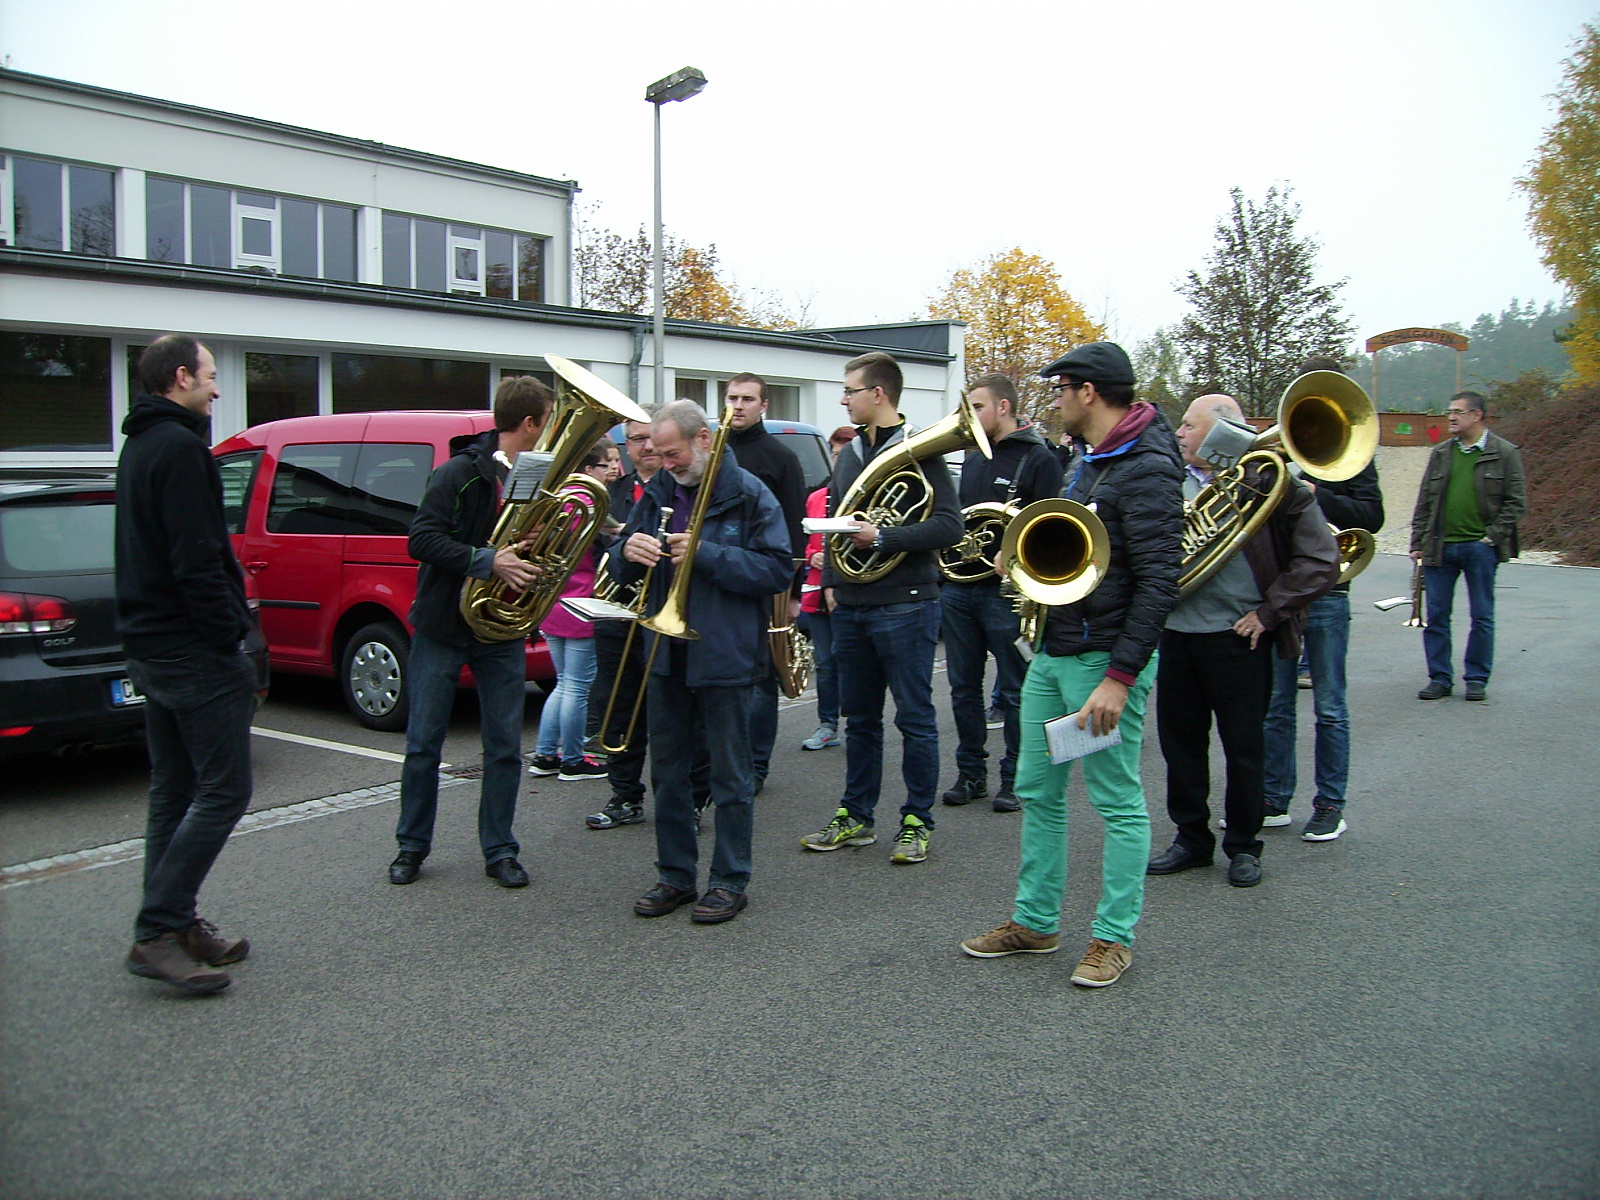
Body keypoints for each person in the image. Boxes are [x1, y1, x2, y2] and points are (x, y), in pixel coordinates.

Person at [959, 342, 1183, 988]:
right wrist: (1018, 561)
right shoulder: (1091, 460)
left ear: (1089, 392)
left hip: (1102, 663)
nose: (1055, 401)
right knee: (1038, 790)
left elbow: (1159, 583)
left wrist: (1120, 678)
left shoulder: (1147, 469)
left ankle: (1113, 938)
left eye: (1061, 389)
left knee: (1117, 802)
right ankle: (1036, 923)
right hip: (1056, 656)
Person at [606, 401, 793, 924]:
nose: (664, 463)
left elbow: (778, 570)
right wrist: (626, 552)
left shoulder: (750, 493)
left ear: (705, 440)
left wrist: (706, 553)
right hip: (666, 652)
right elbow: (620, 561)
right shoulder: (660, 490)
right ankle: (675, 876)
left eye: (673, 453)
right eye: (658, 453)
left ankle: (730, 881)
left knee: (731, 777)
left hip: (725, 652)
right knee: (668, 773)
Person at [1147, 395, 1339, 888]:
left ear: (1222, 433)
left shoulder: (1272, 482)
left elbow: (1322, 559)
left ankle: (1243, 846)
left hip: (1238, 638)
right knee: (1181, 748)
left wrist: (1269, 612)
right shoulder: (1168, 479)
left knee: (1244, 748)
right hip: (1177, 634)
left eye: (1190, 426)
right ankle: (1191, 839)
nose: (1179, 433)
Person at [115, 334, 258, 994]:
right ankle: (156, 931)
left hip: (152, 645)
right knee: (225, 791)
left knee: (173, 792)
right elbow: (197, 559)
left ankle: (176, 924)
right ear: (180, 377)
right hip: (192, 651)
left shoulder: (141, 443)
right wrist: (230, 637)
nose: (217, 388)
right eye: (209, 376)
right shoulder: (178, 448)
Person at [388, 375, 550, 889]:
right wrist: (488, 560)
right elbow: (421, 539)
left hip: (499, 628)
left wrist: (534, 548)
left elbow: (526, 548)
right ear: (529, 423)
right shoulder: (457, 472)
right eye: (548, 422)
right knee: (423, 744)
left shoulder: (537, 474)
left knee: (504, 746)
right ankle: (412, 846)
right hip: (442, 625)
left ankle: (500, 850)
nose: (551, 432)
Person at [802, 351, 962, 865]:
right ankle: (856, 815)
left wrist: (885, 537)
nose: (843, 399)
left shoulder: (922, 451)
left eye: (850, 390)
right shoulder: (850, 453)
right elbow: (837, 520)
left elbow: (950, 526)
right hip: (852, 603)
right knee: (861, 720)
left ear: (878, 394)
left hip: (907, 604)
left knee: (914, 719)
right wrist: (831, 583)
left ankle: (917, 821)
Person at [1262, 360, 1385, 842]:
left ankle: (1330, 804)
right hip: (1282, 590)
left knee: (1330, 706)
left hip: (1330, 591)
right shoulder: (1277, 456)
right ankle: (1274, 798)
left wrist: (1316, 493)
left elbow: (1372, 514)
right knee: (1276, 704)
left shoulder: (1352, 456)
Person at [939, 373, 1064, 814]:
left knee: (1015, 689)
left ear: (1004, 407)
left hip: (1006, 593)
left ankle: (1015, 777)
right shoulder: (974, 459)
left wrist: (1013, 554)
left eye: (978, 407)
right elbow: (961, 520)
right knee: (962, 688)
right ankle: (970, 773)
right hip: (959, 588)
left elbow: (1054, 527)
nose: (970, 416)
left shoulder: (1039, 459)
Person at [585, 419, 711, 830]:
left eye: (653, 440)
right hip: (619, 613)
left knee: (684, 714)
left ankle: (692, 799)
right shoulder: (611, 492)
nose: (647, 448)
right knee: (619, 708)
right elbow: (602, 553)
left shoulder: (689, 488)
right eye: (637, 440)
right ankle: (624, 794)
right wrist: (624, 546)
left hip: (672, 617)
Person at [1409, 391, 1526, 702]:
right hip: (1440, 547)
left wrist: (1491, 537)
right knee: (1436, 616)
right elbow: (1424, 501)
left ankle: (1476, 679)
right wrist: (1417, 542)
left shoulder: (1504, 453)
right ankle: (1439, 678)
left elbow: (1516, 503)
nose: (1451, 417)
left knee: (1482, 616)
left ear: (1477, 416)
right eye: (1449, 411)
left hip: (1480, 549)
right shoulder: (1440, 453)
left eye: (1458, 412)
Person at [722, 373, 807, 794]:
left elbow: (795, 529)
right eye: (732, 398)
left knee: (761, 680)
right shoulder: (713, 449)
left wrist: (793, 593)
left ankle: (756, 766)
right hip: (719, 578)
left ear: (764, 406)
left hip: (765, 584)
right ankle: (725, 759)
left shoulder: (781, 457)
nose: (738, 406)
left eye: (747, 399)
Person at [527, 438, 618, 782]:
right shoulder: (587, 503)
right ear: (588, 469)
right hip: (580, 602)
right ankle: (573, 759)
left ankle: (545, 754)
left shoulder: (557, 500)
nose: (610, 471)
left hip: (553, 602)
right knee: (577, 687)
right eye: (604, 466)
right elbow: (612, 533)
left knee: (563, 684)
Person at [798, 426, 857, 751]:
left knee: (852, 661)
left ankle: (859, 724)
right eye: (835, 455)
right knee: (824, 662)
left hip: (850, 592)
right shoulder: (816, 498)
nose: (839, 461)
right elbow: (807, 543)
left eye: (845, 454)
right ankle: (827, 724)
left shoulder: (861, 497)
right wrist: (813, 555)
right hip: (817, 591)